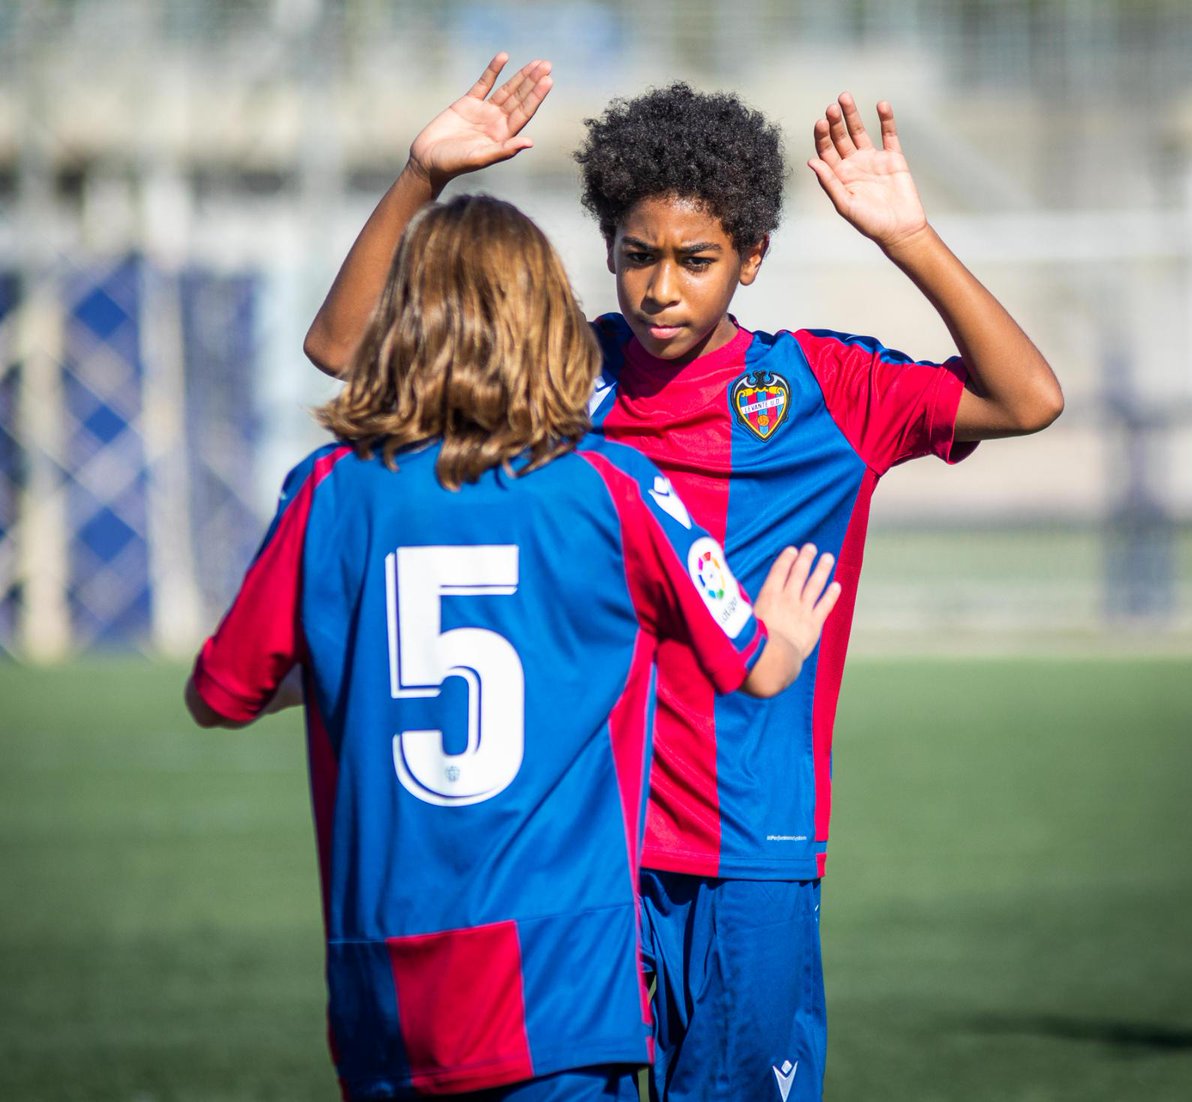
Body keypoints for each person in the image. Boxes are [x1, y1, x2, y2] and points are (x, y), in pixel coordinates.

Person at [301, 56, 1064, 1101]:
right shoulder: (556, 372)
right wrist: (421, 177)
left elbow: (1028, 399)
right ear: (608, 248)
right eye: (637, 256)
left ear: (751, 257)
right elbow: (343, 348)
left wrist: (908, 239)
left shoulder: (827, 388)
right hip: (578, 855)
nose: (661, 288)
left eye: (696, 260)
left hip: (749, 844)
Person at [187, 193, 841, 1101]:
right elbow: (757, 666)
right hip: (557, 983)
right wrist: (789, 633)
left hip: (384, 985)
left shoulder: (328, 486)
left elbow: (220, 695)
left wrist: (363, 668)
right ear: (550, 322)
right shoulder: (613, 485)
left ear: (402, 321)